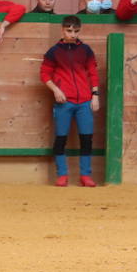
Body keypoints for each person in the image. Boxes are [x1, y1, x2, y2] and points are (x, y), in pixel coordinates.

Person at [40, 15, 100, 188]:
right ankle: (62, 175)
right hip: (64, 101)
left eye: (76, 31)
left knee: (87, 139)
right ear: (62, 30)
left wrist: (95, 95)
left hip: (85, 102)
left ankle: (85, 175)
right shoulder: (53, 52)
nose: (72, 34)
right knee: (61, 138)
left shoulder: (86, 50)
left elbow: (93, 73)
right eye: (69, 31)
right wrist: (56, 90)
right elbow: (44, 74)